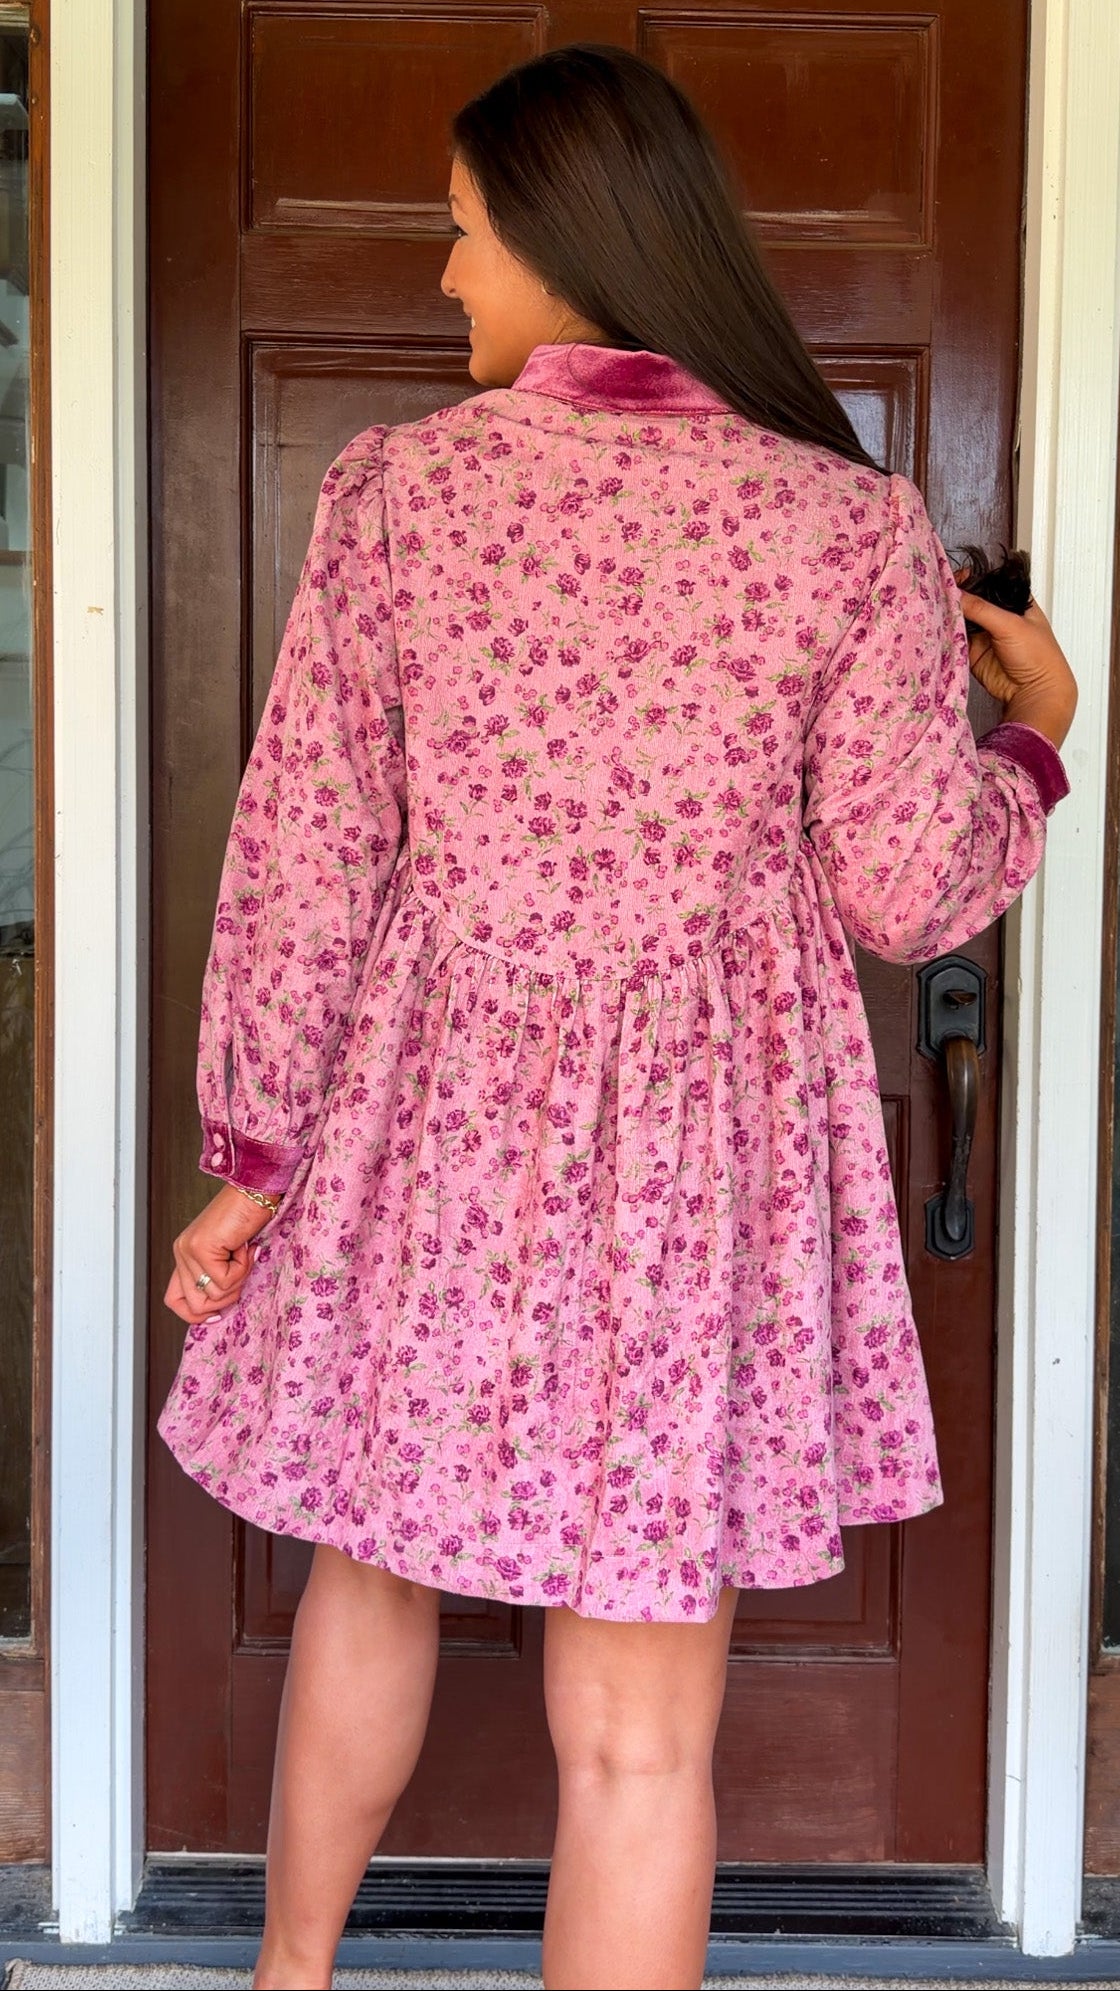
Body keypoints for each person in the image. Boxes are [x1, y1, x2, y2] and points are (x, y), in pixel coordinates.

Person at [159, 43, 1077, 1991]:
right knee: (641, 1734)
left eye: (463, 236)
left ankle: (289, 1982)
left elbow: (303, 852)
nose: (441, 280)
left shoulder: (399, 494)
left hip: (433, 1123)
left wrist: (249, 1163)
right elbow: (908, 893)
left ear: (569, 250)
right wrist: (1037, 737)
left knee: (366, 1569)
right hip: (705, 1161)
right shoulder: (842, 529)